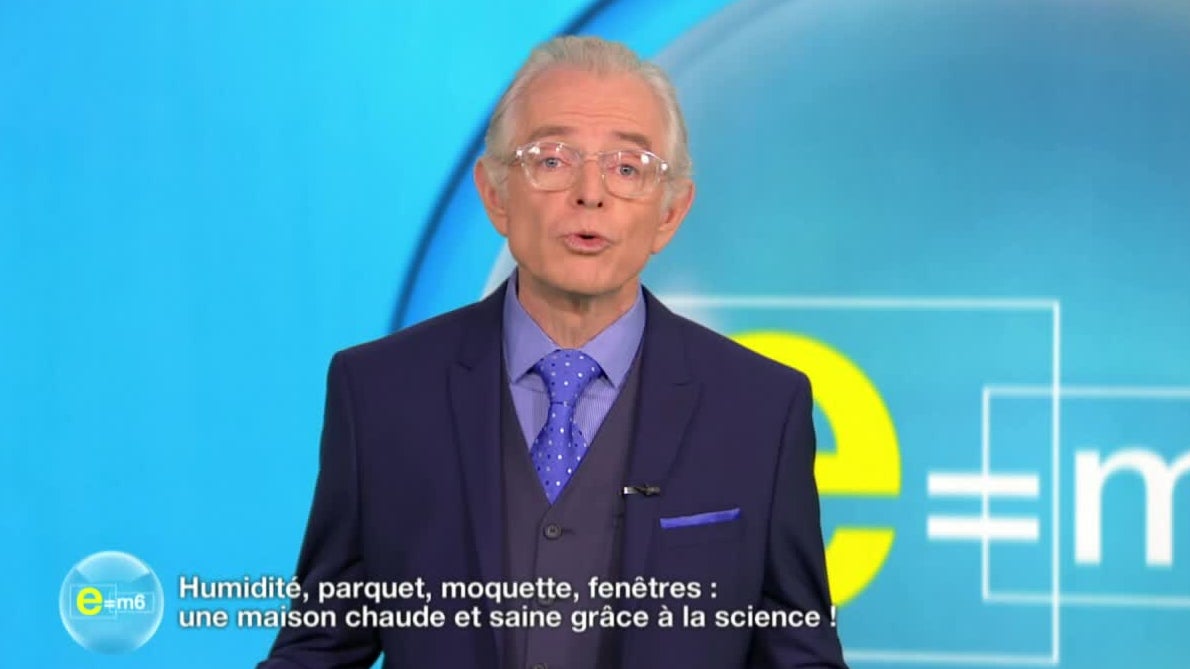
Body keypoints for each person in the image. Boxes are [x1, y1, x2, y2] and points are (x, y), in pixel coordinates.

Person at [259, 35, 846, 669]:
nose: (590, 193)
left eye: (628, 168)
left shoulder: (761, 409)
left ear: (671, 212)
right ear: (495, 194)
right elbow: (321, 647)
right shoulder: (380, 392)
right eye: (553, 160)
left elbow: (799, 655)